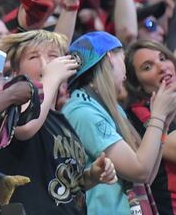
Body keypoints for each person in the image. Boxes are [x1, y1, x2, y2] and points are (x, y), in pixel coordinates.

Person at [0, 30, 118, 214]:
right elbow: (25, 128)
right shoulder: (12, 103)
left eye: (53, 56)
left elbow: (66, 184)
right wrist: (49, 78)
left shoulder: (62, 121)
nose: (45, 63)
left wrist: (91, 176)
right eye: (34, 57)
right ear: (15, 71)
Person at [64, 31, 176, 214]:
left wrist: (163, 125)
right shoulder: (82, 111)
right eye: (122, 58)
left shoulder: (110, 108)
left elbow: (147, 176)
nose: (125, 75)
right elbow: (139, 170)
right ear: (110, 58)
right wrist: (158, 117)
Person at [125, 40, 176, 214]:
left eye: (163, 58)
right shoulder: (139, 111)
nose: (162, 67)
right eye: (147, 67)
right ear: (138, 83)